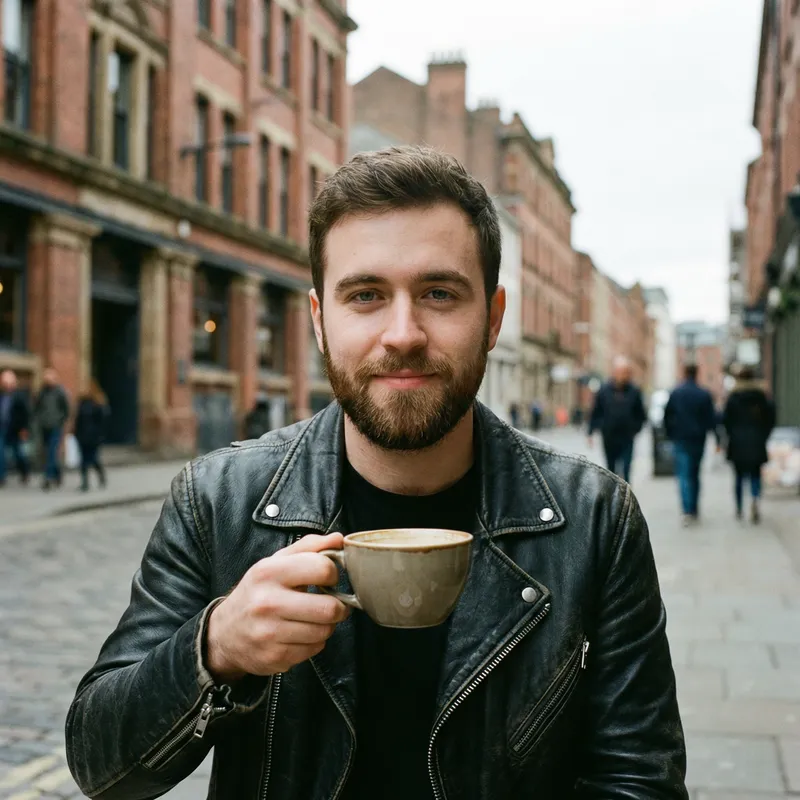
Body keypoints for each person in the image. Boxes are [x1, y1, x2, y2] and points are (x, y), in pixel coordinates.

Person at [66, 146, 687, 800]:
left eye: (439, 293)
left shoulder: (595, 521)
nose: (402, 334)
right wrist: (215, 650)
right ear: (319, 322)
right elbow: (101, 766)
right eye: (365, 295)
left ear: (494, 318)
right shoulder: (216, 501)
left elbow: (640, 779)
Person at [663, 364, 716, 526]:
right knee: (695, 473)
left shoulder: (676, 393)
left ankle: (687, 510)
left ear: (684, 372)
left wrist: (670, 434)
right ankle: (694, 508)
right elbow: (711, 418)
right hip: (698, 439)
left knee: (684, 474)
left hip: (681, 438)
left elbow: (667, 416)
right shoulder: (704, 394)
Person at [723, 366, 776, 523]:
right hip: (756, 441)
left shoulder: (733, 397)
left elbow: (726, 420)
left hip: (738, 442)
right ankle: (754, 498)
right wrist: (763, 435)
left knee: (738, 476)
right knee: (755, 474)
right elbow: (770, 417)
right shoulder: (761, 397)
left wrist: (730, 435)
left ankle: (739, 507)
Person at [587, 356, 647, 483]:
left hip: (627, 437)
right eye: (621, 372)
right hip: (609, 436)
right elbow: (596, 411)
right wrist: (590, 432)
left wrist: (635, 429)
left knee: (626, 469)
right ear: (614, 372)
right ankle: (614, 500)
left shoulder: (634, 391)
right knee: (611, 471)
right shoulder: (604, 390)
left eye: (626, 372)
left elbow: (641, 414)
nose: (624, 375)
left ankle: (626, 498)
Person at [34, 367, 70, 490]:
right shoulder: (42, 392)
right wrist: (39, 420)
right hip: (44, 426)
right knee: (48, 452)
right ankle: (57, 473)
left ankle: (48, 477)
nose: (48, 380)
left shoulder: (60, 392)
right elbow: (36, 408)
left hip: (55, 426)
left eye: (50, 377)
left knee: (51, 452)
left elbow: (66, 410)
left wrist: (60, 421)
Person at [74, 379, 109, 492]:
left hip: (94, 437)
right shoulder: (82, 403)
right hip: (82, 436)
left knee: (93, 458)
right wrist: (76, 433)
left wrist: (100, 436)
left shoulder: (99, 404)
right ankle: (85, 482)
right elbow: (78, 420)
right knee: (83, 459)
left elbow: (102, 422)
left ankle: (100, 474)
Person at [0, 368, 31, 486]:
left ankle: (24, 472)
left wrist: (24, 429)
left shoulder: (19, 396)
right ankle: (1, 477)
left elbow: (26, 413)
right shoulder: (1, 395)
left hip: (15, 429)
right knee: (0, 452)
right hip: (2, 428)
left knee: (18, 454)